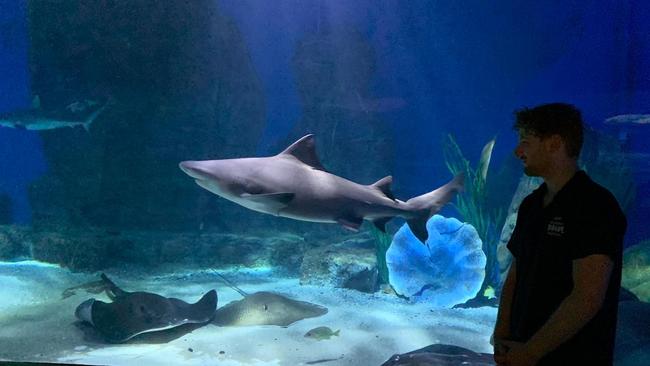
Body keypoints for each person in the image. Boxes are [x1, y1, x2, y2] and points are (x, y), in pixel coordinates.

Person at [492, 103, 627, 366]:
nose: (518, 151)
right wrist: (501, 333)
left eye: (526, 142)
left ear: (555, 143)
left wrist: (531, 353)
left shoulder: (596, 206)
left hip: (573, 356)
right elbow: (516, 273)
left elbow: (587, 297)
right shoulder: (532, 204)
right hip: (520, 349)